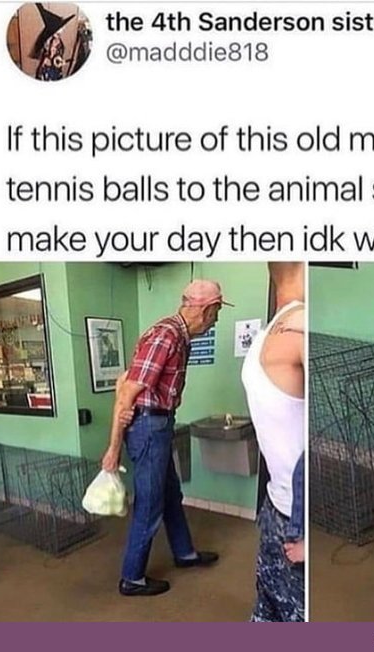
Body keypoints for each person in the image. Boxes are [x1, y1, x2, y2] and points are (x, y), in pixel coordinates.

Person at [102, 280, 232, 597]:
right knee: (149, 505)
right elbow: (126, 392)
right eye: (216, 311)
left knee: (171, 495)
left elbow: (128, 382)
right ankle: (131, 578)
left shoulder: (177, 336)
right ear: (204, 308)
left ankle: (184, 553)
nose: (216, 319)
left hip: (158, 425)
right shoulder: (166, 335)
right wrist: (113, 449)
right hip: (149, 427)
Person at [242, 262, 305, 622]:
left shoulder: (263, 339)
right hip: (293, 517)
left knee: (267, 611)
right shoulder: (298, 329)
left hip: (274, 507)